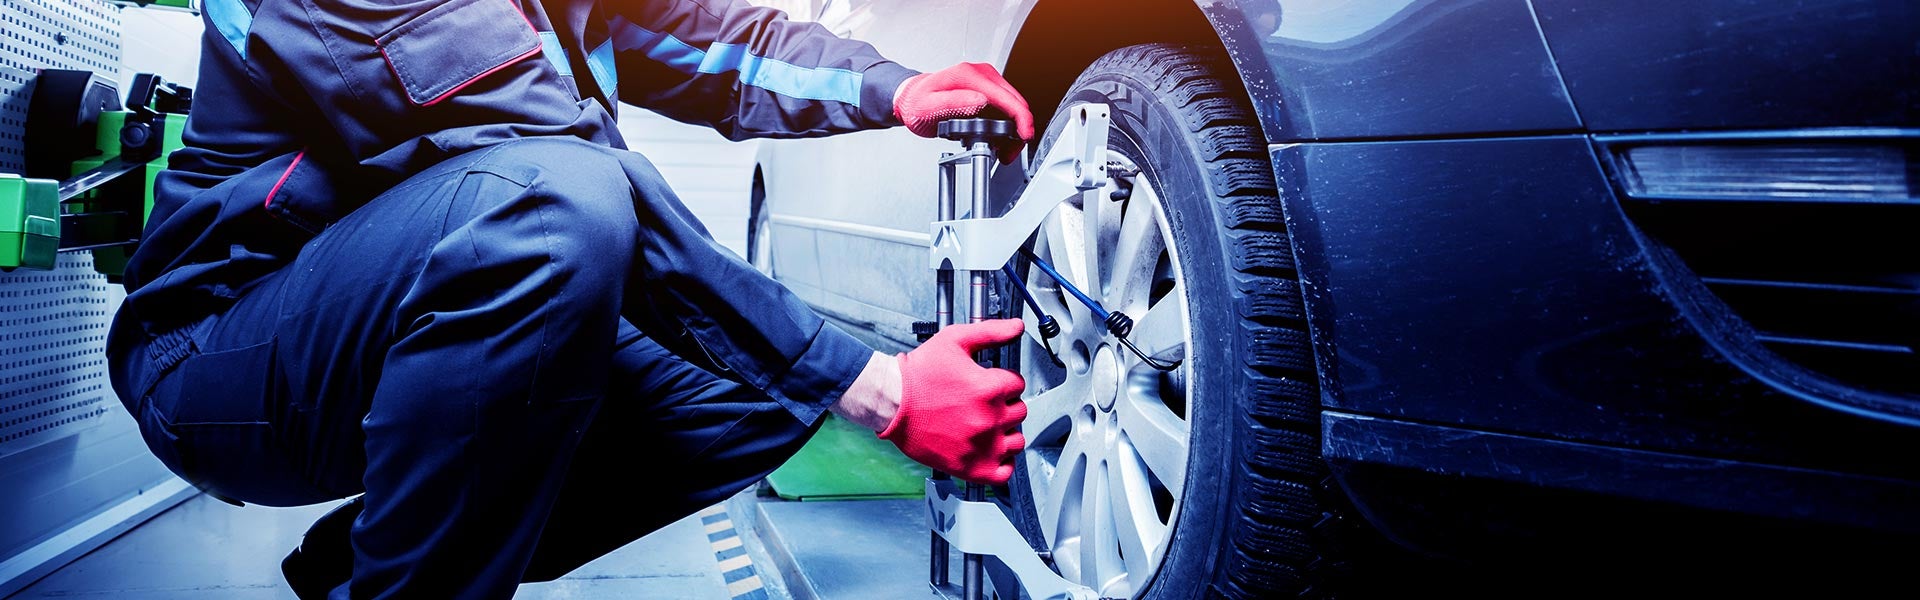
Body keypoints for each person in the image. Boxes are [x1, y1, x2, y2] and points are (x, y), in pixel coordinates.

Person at [102, 0, 1038, 596]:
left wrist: (901, 85)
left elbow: (719, 43)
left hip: (392, 321)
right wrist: (882, 388)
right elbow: (574, 180)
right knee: (561, 208)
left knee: (754, 385)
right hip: (222, 352)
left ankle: (369, 563)